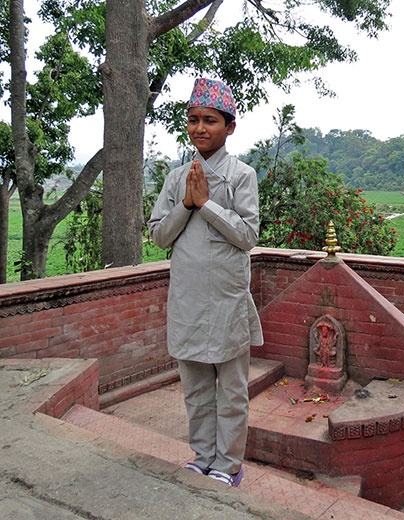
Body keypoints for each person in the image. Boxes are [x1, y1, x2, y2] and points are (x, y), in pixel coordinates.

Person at [148, 78, 263, 487]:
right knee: (195, 387)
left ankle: (229, 464)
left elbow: (248, 236)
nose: (200, 128)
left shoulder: (242, 175)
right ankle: (203, 455)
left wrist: (208, 204)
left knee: (231, 390)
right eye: (193, 120)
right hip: (187, 301)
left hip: (227, 300)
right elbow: (159, 236)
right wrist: (185, 203)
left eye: (210, 121)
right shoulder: (177, 177)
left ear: (229, 127)